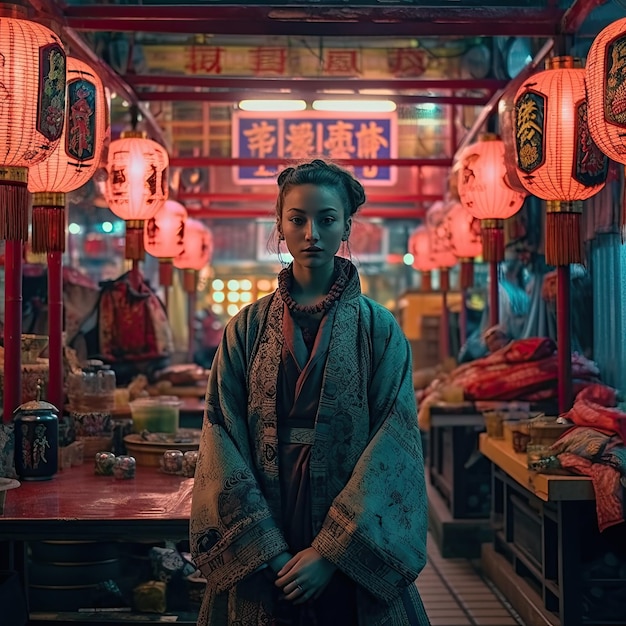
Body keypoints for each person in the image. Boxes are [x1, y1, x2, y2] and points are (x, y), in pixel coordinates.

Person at [190, 159, 430, 625]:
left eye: (326, 219)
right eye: (297, 219)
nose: (311, 233)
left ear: (345, 226)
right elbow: (221, 436)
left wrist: (331, 552)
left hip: (347, 519)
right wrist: (267, 550)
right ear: (279, 225)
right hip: (265, 514)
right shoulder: (246, 328)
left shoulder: (378, 329)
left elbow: (394, 441)